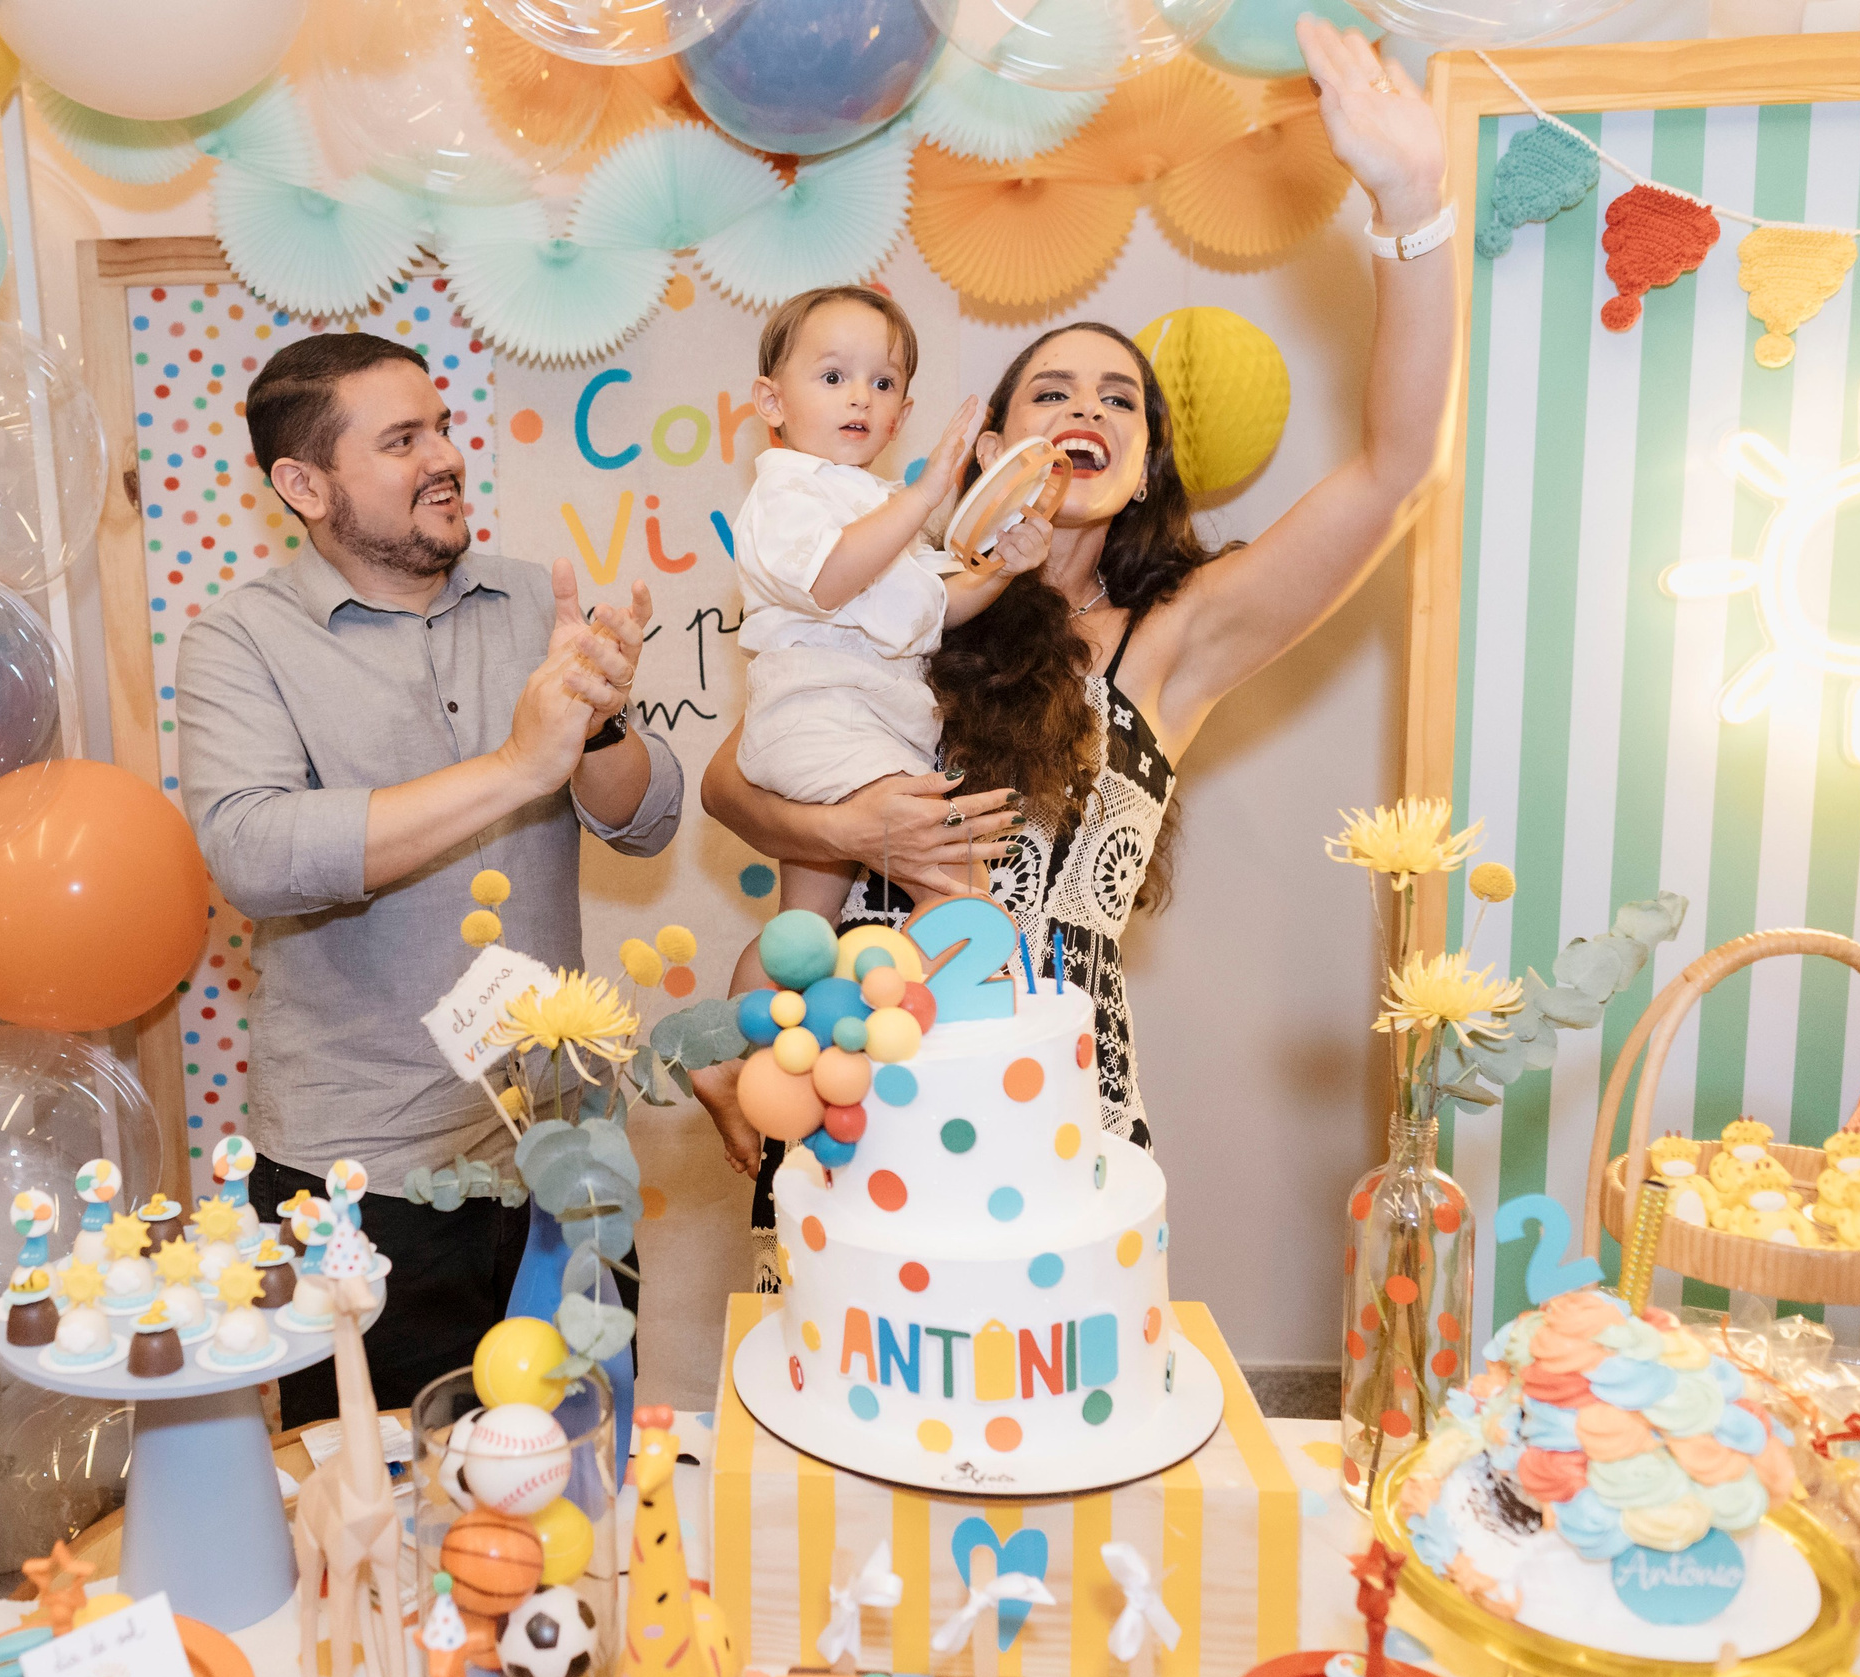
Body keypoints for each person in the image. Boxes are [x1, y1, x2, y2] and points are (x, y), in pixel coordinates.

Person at [696, 18, 1455, 1282]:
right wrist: (852, 835)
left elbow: (1393, 473)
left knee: (1040, 1439)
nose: (1086, 411)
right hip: (844, 1087)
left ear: (1148, 461)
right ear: (989, 440)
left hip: (1054, 1121)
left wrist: (1412, 203)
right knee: (841, 1456)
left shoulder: (1175, 636)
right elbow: (732, 783)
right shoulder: (897, 603)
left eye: (1119, 398)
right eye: (1051, 392)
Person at [171, 331, 683, 1423]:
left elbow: (644, 820)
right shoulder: (239, 641)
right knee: (390, 1497)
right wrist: (512, 766)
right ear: (304, 486)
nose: (444, 456)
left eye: (442, 426)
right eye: (402, 439)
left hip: (564, 1147)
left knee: (578, 1467)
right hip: (362, 1179)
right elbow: (253, 856)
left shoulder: (525, 604)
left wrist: (592, 727)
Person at [728, 284, 996, 926]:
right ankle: (978, 1010)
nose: (859, 397)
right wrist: (926, 493)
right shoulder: (787, 492)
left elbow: (935, 611)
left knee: (804, 933)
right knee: (959, 880)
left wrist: (1005, 566)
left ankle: (774, 1017)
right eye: (832, 376)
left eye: (882, 383)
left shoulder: (871, 505)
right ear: (773, 401)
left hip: (861, 725)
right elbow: (828, 579)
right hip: (825, 722)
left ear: (899, 416)